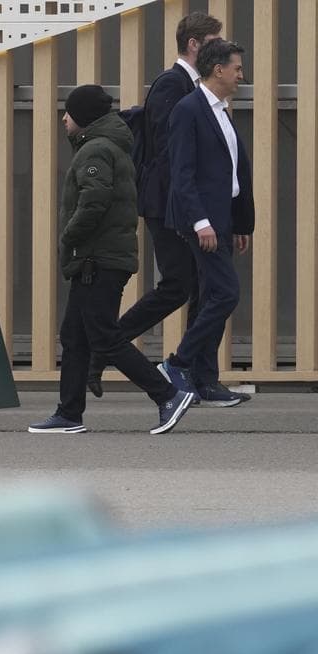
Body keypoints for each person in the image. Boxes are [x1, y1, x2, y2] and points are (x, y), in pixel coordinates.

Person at [28, 85, 195, 435]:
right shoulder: (106, 146)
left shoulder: (96, 150)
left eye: (69, 113)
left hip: (97, 260)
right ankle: (69, 413)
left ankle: (167, 394)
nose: (63, 118)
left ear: (84, 117)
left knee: (103, 337)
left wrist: (69, 236)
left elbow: (94, 201)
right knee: (74, 335)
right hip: (102, 258)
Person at [88, 11, 222, 399]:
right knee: (179, 285)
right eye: (214, 40)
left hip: (180, 204)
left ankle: (199, 378)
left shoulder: (192, 85)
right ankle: (106, 347)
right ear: (194, 44)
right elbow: (172, 152)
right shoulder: (172, 84)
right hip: (167, 204)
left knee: (198, 286)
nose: (220, 48)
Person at [160, 39, 254, 407]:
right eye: (237, 68)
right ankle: (178, 363)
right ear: (218, 70)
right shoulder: (188, 109)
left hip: (223, 220)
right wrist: (201, 222)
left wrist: (241, 222)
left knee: (208, 299)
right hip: (203, 224)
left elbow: (233, 171)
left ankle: (205, 382)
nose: (241, 75)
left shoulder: (221, 111)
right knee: (226, 293)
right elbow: (181, 174)